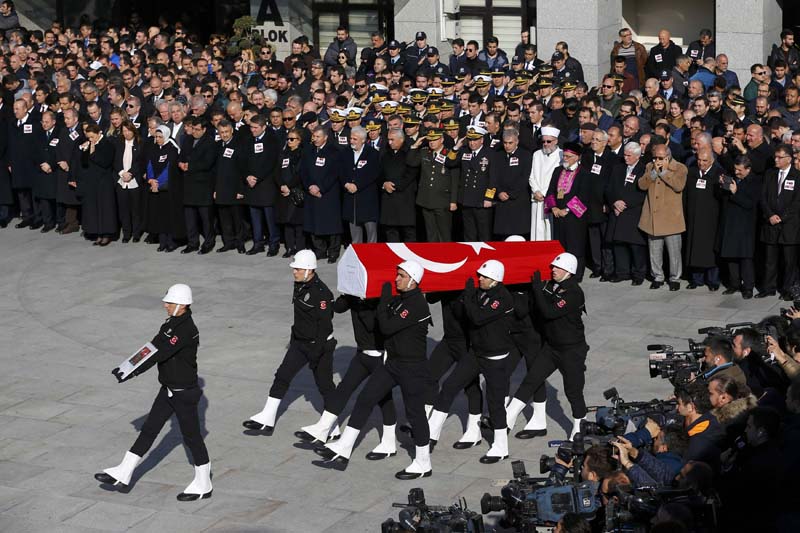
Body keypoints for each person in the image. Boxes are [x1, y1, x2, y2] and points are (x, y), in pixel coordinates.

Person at [314, 261, 434, 480]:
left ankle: (423, 463)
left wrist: (385, 299)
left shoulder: (416, 304)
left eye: (401, 275)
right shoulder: (402, 300)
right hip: (393, 364)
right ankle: (344, 448)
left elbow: (386, 326)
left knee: (415, 414)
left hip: (413, 368)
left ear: (413, 280)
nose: (396, 278)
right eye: (397, 274)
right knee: (365, 399)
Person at [94, 284, 212, 501]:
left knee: (192, 438)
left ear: (183, 305)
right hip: (168, 389)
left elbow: (161, 353)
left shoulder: (186, 330)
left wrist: (133, 373)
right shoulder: (170, 324)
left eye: (170, 302)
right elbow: (152, 347)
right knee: (149, 430)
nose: (165, 305)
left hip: (184, 393)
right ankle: (124, 471)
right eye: (166, 301)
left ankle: (204, 483)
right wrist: (127, 365)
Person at [427, 260, 514, 463]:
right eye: (479, 276)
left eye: (483, 276)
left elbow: (477, 317)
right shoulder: (480, 292)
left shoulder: (502, 298)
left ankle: (501, 447)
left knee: (495, 403)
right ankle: (431, 434)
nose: (479, 278)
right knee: (449, 386)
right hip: (477, 354)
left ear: (495, 279)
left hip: (496, 358)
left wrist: (466, 296)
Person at [242, 250, 336, 436]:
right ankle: (267, 418)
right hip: (299, 343)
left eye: (298, 269)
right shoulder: (300, 285)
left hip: (319, 346)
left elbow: (325, 325)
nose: (294, 272)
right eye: (295, 269)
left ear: (309, 270)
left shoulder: (321, 293)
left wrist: (316, 353)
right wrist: (294, 340)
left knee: (325, 386)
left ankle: (332, 427)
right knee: (282, 375)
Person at [295, 293, 396, 459]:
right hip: (362, 354)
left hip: (380, 356)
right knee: (344, 388)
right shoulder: (356, 294)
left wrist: (363, 303)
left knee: (384, 398)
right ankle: (323, 427)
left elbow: (372, 325)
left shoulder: (381, 297)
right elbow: (338, 308)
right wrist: (348, 293)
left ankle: (389, 442)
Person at [517, 253, 588, 440]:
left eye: (558, 268)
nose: (553, 270)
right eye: (553, 267)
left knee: (573, 390)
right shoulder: (552, 285)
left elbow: (548, 312)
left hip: (571, 350)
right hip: (552, 347)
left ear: (569, 271)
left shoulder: (573, 293)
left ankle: (580, 425)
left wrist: (537, 289)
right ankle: (506, 419)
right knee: (531, 379)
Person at [638, 143, 687, 291]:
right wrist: (653, 173)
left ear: (668, 157)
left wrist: (665, 172)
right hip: (653, 216)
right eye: (654, 158)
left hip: (671, 217)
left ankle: (674, 278)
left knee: (674, 252)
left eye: (660, 158)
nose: (657, 161)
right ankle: (657, 276)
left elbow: (679, 186)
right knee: (654, 250)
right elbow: (641, 185)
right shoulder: (649, 167)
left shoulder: (680, 168)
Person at [757, 144, 800, 300]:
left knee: (789, 261)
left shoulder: (797, 176)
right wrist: (770, 215)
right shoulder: (770, 174)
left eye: (779, 157)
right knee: (770, 260)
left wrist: (782, 216)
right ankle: (768, 287)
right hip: (771, 224)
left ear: (789, 159)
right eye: (775, 156)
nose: (776, 160)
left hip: (789, 226)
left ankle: (787, 289)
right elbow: (763, 197)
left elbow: (797, 202)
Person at [545, 142, 590, 280]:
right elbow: (551, 190)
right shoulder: (558, 170)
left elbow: (584, 195)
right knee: (561, 245)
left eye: (569, 156)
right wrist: (553, 207)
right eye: (564, 156)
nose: (565, 158)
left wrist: (567, 209)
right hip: (558, 215)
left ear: (577, 157)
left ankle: (577, 274)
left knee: (575, 245)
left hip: (574, 217)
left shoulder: (583, 173)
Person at [717, 156, 761, 299]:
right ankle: (734, 284)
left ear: (748, 169)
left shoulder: (755, 181)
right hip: (730, 222)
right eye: (735, 169)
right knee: (731, 257)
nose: (736, 172)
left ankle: (748, 287)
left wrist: (735, 193)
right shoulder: (731, 177)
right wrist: (722, 186)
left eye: (740, 170)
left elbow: (750, 203)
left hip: (745, 225)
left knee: (745, 258)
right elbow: (722, 197)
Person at [606, 142, 648, 285]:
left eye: (629, 155)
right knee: (619, 244)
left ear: (637, 156)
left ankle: (638, 274)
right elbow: (609, 188)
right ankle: (622, 272)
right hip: (617, 211)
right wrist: (615, 202)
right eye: (624, 154)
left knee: (635, 246)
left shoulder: (643, 169)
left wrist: (625, 204)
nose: (626, 158)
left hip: (633, 212)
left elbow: (642, 193)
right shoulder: (618, 168)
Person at [407, 128, 459, 242]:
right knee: (431, 234)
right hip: (426, 199)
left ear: (441, 139)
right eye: (430, 140)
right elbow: (411, 162)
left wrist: (453, 201)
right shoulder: (424, 152)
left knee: (444, 234)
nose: (432, 142)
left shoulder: (450, 154)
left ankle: (445, 257)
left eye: (435, 139)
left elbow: (454, 180)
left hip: (442, 200)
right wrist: (415, 146)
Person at [302, 126, 344, 262]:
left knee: (331, 224)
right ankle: (320, 250)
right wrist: (310, 186)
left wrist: (321, 187)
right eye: (313, 136)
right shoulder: (309, 151)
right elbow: (304, 171)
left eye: (318, 137)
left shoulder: (334, 151)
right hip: (311, 192)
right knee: (314, 223)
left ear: (325, 137)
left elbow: (334, 173)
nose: (314, 139)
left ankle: (333, 251)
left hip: (327, 193)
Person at [243, 115, 281, 256]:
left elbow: (270, 162)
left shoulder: (272, 140)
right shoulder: (248, 140)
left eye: (255, 127)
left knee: (269, 217)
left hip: (266, 184)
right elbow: (242, 159)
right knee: (255, 217)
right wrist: (247, 175)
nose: (252, 130)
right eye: (251, 127)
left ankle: (273, 243)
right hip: (251, 184)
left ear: (264, 127)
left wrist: (257, 177)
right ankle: (257, 243)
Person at [684, 148, 721, 290]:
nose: (701, 163)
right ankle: (696, 279)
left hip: (711, 220)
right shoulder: (692, 172)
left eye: (705, 160)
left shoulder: (718, 174)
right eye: (699, 160)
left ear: (712, 161)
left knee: (710, 252)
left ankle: (713, 281)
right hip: (694, 218)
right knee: (694, 249)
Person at [77, 123, 118, 246]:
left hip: (104, 181)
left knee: (105, 208)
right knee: (95, 208)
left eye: (92, 137)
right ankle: (97, 232)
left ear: (98, 133)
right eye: (88, 137)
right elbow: (84, 163)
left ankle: (107, 234)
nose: (90, 139)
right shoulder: (89, 144)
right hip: (92, 181)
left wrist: (93, 152)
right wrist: (85, 150)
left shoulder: (107, 144)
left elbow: (105, 162)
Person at [144, 125, 180, 252]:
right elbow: (149, 165)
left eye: (160, 137)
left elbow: (169, 168)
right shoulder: (153, 148)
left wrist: (158, 182)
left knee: (168, 216)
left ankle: (171, 241)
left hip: (167, 189)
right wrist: (151, 180)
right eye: (156, 137)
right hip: (155, 188)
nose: (158, 139)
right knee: (158, 216)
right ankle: (162, 241)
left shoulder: (172, 149)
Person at [490, 130, 532, 239]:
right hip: (501, 201)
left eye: (510, 143)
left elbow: (524, 178)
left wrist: (510, 193)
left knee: (518, 235)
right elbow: (493, 177)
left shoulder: (525, 155)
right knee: (502, 235)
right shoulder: (497, 156)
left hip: (518, 201)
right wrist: (498, 192)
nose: (507, 146)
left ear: (517, 142)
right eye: (505, 143)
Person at [213, 120, 246, 254]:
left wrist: (240, 190)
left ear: (232, 131)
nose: (225, 135)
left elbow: (242, 169)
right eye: (222, 132)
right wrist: (214, 189)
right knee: (224, 219)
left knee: (237, 219)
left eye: (227, 132)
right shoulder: (217, 146)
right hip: (221, 188)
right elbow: (214, 171)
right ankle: (228, 242)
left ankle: (240, 243)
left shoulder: (238, 145)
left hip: (234, 189)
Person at [343, 126, 380, 243]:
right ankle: (356, 255)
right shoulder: (345, 152)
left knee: (370, 231)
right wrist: (346, 184)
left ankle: (372, 256)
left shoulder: (372, 153)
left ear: (363, 140)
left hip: (367, 197)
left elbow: (373, 173)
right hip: (351, 198)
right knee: (354, 232)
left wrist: (357, 185)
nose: (351, 141)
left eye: (355, 139)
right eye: (351, 138)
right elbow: (340, 170)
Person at [457, 125, 495, 240]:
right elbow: (450, 162)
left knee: (484, 233)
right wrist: (455, 148)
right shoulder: (463, 151)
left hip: (481, 200)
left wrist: (489, 198)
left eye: (475, 140)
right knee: (469, 233)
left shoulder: (490, 154)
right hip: (466, 198)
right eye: (470, 140)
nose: (472, 143)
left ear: (482, 140)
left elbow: (493, 178)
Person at [379, 128, 416, 242]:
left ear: (401, 139)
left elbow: (411, 173)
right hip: (388, 199)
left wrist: (394, 186)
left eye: (392, 140)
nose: (389, 142)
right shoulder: (385, 154)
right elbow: (379, 173)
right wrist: (384, 184)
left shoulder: (409, 153)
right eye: (388, 140)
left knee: (408, 231)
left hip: (405, 198)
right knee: (390, 231)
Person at [276, 127, 306, 256]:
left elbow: (300, 174)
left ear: (299, 140)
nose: (289, 141)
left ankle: (299, 248)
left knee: (298, 222)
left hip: (296, 191)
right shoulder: (284, 154)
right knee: (287, 221)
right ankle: (289, 247)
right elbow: (277, 171)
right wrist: (282, 185)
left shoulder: (302, 154)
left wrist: (289, 186)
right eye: (288, 139)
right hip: (283, 192)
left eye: (292, 139)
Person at [114, 120, 144, 243]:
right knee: (123, 209)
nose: (126, 133)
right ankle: (127, 233)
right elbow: (115, 160)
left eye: (128, 130)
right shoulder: (119, 143)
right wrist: (122, 173)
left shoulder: (140, 143)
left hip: (134, 181)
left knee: (135, 209)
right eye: (124, 131)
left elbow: (140, 162)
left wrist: (131, 173)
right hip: (121, 180)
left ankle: (136, 233)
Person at [529, 126, 561, 240]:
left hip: (551, 198)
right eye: (543, 141)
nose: (546, 144)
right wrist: (536, 191)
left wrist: (544, 192)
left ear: (556, 141)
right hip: (537, 197)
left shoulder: (561, 155)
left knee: (549, 229)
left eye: (549, 141)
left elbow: (560, 178)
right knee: (536, 229)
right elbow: (532, 176)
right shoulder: (537, 154)